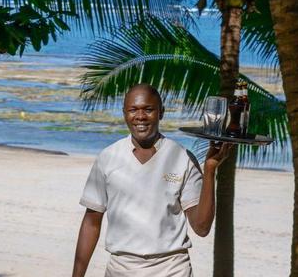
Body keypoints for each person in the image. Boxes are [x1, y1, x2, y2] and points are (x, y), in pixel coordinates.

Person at [71, 83, 233, 277]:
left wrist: (210, 169)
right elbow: (91, 222)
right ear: (124, 113)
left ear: (161, 112)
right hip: (121, 269)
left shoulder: (181, 157)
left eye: (148, 109)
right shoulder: (108, 157)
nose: (140, 116)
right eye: (133, 110)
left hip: (172, 269)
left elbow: (202, 227)